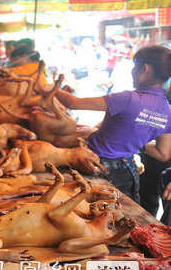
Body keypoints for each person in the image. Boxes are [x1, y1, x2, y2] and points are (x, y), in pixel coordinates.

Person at [56, 45, 171, 203]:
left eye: (134, 67)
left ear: (145, 69)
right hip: (126, 173)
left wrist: (47, 88)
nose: (132, 73)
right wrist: (136, 142)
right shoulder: (167, 110)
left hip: (92, 165)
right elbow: (162, 153)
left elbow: (73, 103)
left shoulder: (127, 98)